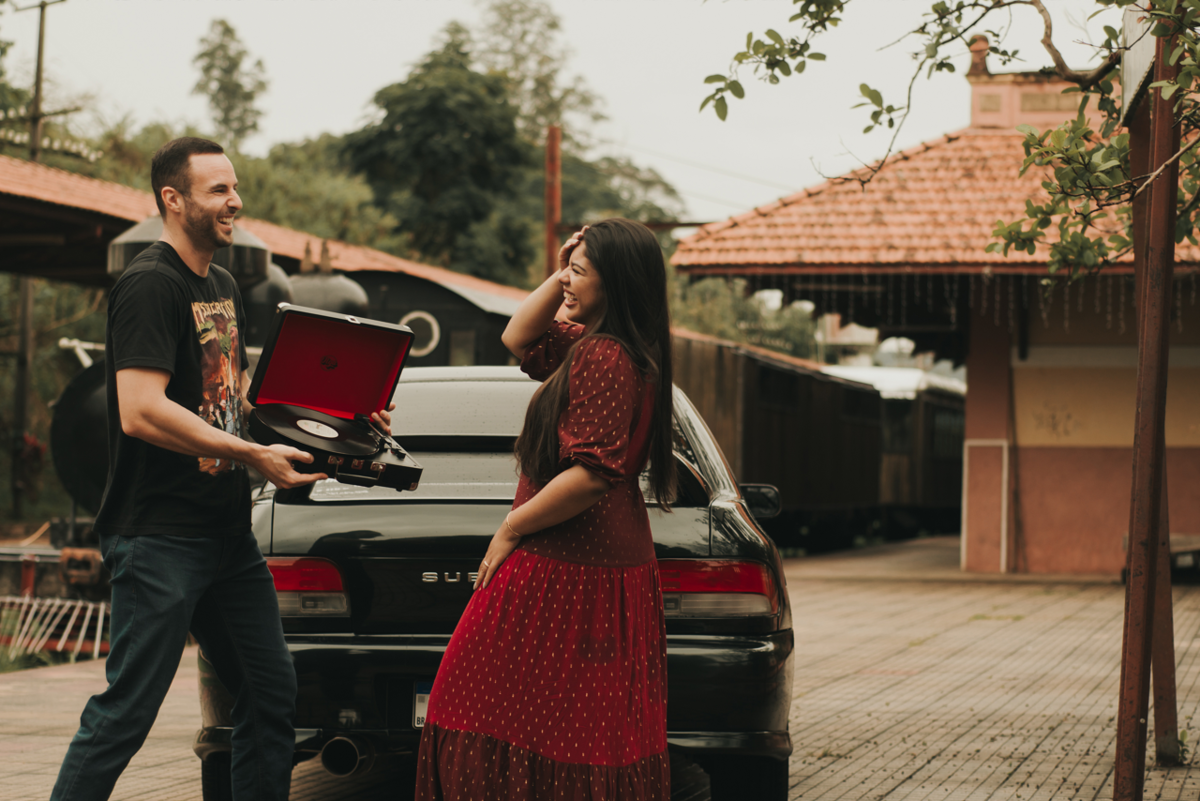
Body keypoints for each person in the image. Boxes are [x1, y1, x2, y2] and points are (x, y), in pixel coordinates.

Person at [50, 137, 391, 801]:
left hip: (225, 537)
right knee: (128, 712)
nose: (235, 201)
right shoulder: (151, 283)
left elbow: (228, 402)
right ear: (173, 200)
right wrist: (253, 455)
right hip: (159, 537)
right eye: (217, 190)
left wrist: (346, 417)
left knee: (271, 693)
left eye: (234, 187)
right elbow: (141, 411)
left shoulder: (223, 284)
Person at [416, 218, 677, 800]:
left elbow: (590, 475)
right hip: (595, 562)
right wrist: (568, 269)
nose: (565, 283)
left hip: (569, 561)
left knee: (470, 702)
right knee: (575, 733)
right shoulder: (604, 346)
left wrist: (510, 528)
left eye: (579, 273)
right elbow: (516, 336)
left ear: (617, 283)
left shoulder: (604, 357)